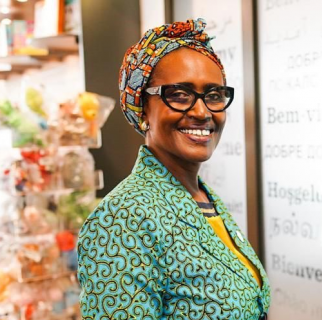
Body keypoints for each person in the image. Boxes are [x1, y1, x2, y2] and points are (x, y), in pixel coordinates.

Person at [77, 18, 270, 320]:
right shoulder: (121, 220)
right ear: (143, 111)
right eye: (179, 95)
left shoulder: (203, 198)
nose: (202, 111)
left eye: (214, 95)